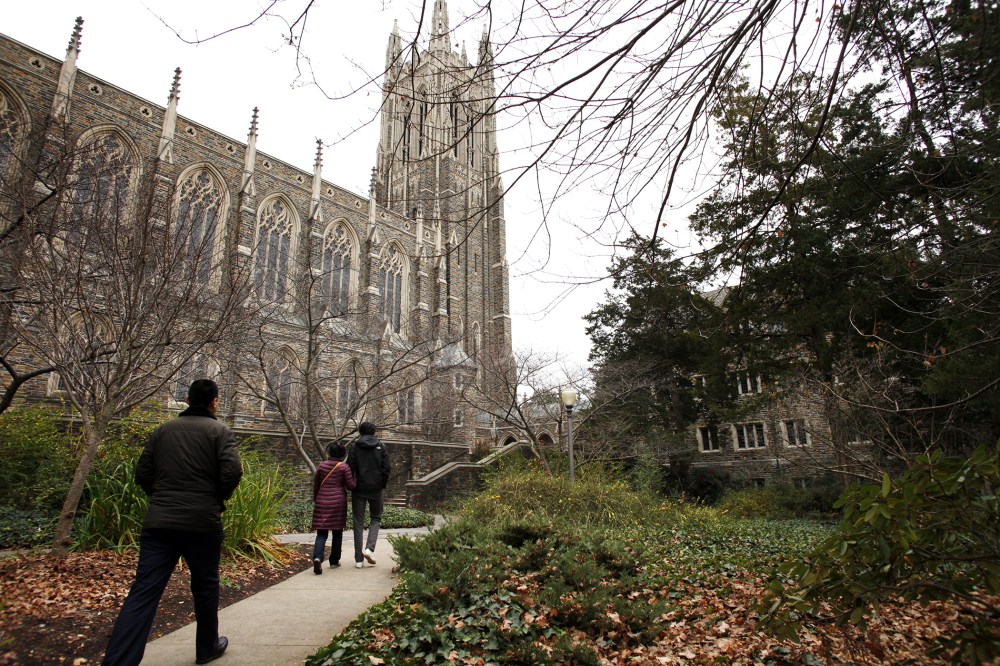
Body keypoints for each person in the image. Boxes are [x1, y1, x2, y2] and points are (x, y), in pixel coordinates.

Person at [102, 379, 243, 666]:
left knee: (144, 591)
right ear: (214, 401)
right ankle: (206, 648)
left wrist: (161, 498)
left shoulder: (163, 430)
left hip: (160, 523)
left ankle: (118, 661)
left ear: (187, 399)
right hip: (202, 523)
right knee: (205, 586)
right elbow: (233, 472)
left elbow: (143, 473)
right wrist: (215, 498)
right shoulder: (219, 431)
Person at [346, 421, 390, 568]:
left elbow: (349, 468)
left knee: (358, 522)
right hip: (376, 488)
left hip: (359, 488)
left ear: (361, 431)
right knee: (376, 518)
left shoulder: (355, 447)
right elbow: (386, 468)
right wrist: (382, 484)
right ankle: (369, 548)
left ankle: (358, 559)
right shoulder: (381, 446)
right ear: (374, 431)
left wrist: (352, 484)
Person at [310, 440, 356, 573]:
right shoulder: (344, 467)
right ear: (342, 454)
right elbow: (350, 486)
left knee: (321, 532)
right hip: (338, 503)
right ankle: (334, 561)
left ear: (329, 452)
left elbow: (316, 485)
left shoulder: (321, 466)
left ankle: (318, 558)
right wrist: (356, 478)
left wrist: (317, 500)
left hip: (322, 501)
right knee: (337, 532)